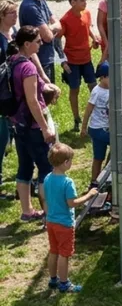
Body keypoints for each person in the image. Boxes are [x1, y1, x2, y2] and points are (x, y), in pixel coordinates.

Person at [11, 26, 55, 220]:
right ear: (27, 44)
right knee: (45, 168)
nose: (41, 43)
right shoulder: (28, 67)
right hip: (32, 126)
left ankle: (27, 211)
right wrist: (45, 128)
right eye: (37, 41)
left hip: (17, 123)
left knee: (25, 167)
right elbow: (32, 100)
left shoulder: (12, 61)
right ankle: (48, 213)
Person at [43, 143, 98, 293]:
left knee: (53, 251)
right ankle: (64, 283)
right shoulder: (68, 182)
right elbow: (72, 203)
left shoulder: (47, 178)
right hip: (64, 224)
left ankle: (53, 279)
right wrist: (88, 195)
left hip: (51, 221)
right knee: (64, 254)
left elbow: (45, 197)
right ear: (66, 162)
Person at [58, 0, 100, 129]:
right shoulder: (65, 20)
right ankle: (76, 119)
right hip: (72, 62)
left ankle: (96, 116)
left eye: (86, 0)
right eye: (82, 0)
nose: (85, 3)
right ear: (73, 2)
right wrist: (62, 62)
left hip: (86, 59)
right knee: (74, 89)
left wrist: (94, 38)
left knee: (94, 87)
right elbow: (56, 41)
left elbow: (88, 27)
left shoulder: (86, 13)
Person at [19, 0, 60, 83]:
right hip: (39, 61)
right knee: (43, 98)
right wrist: (50, 29)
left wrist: (48, 28)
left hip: (47, 58)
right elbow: (48, 36)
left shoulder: (41, 0)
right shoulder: (30, 7)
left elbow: (58, 24)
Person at [80, 60, 111, 186]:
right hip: (98, 129)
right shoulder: (97, 92)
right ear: (103, 77)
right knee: (99, 157)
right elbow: (88, 110)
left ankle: (105, 174)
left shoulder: (112, 88)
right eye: (110, 77)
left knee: (109, 152)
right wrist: (83, 127)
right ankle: (95, 181)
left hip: (107, 128)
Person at [0, 0, 18, 200]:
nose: (16, 16)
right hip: (2, 95)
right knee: (1, 138)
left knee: (7, 136)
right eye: (12, 13)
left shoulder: (13, 33)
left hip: (13, 94)